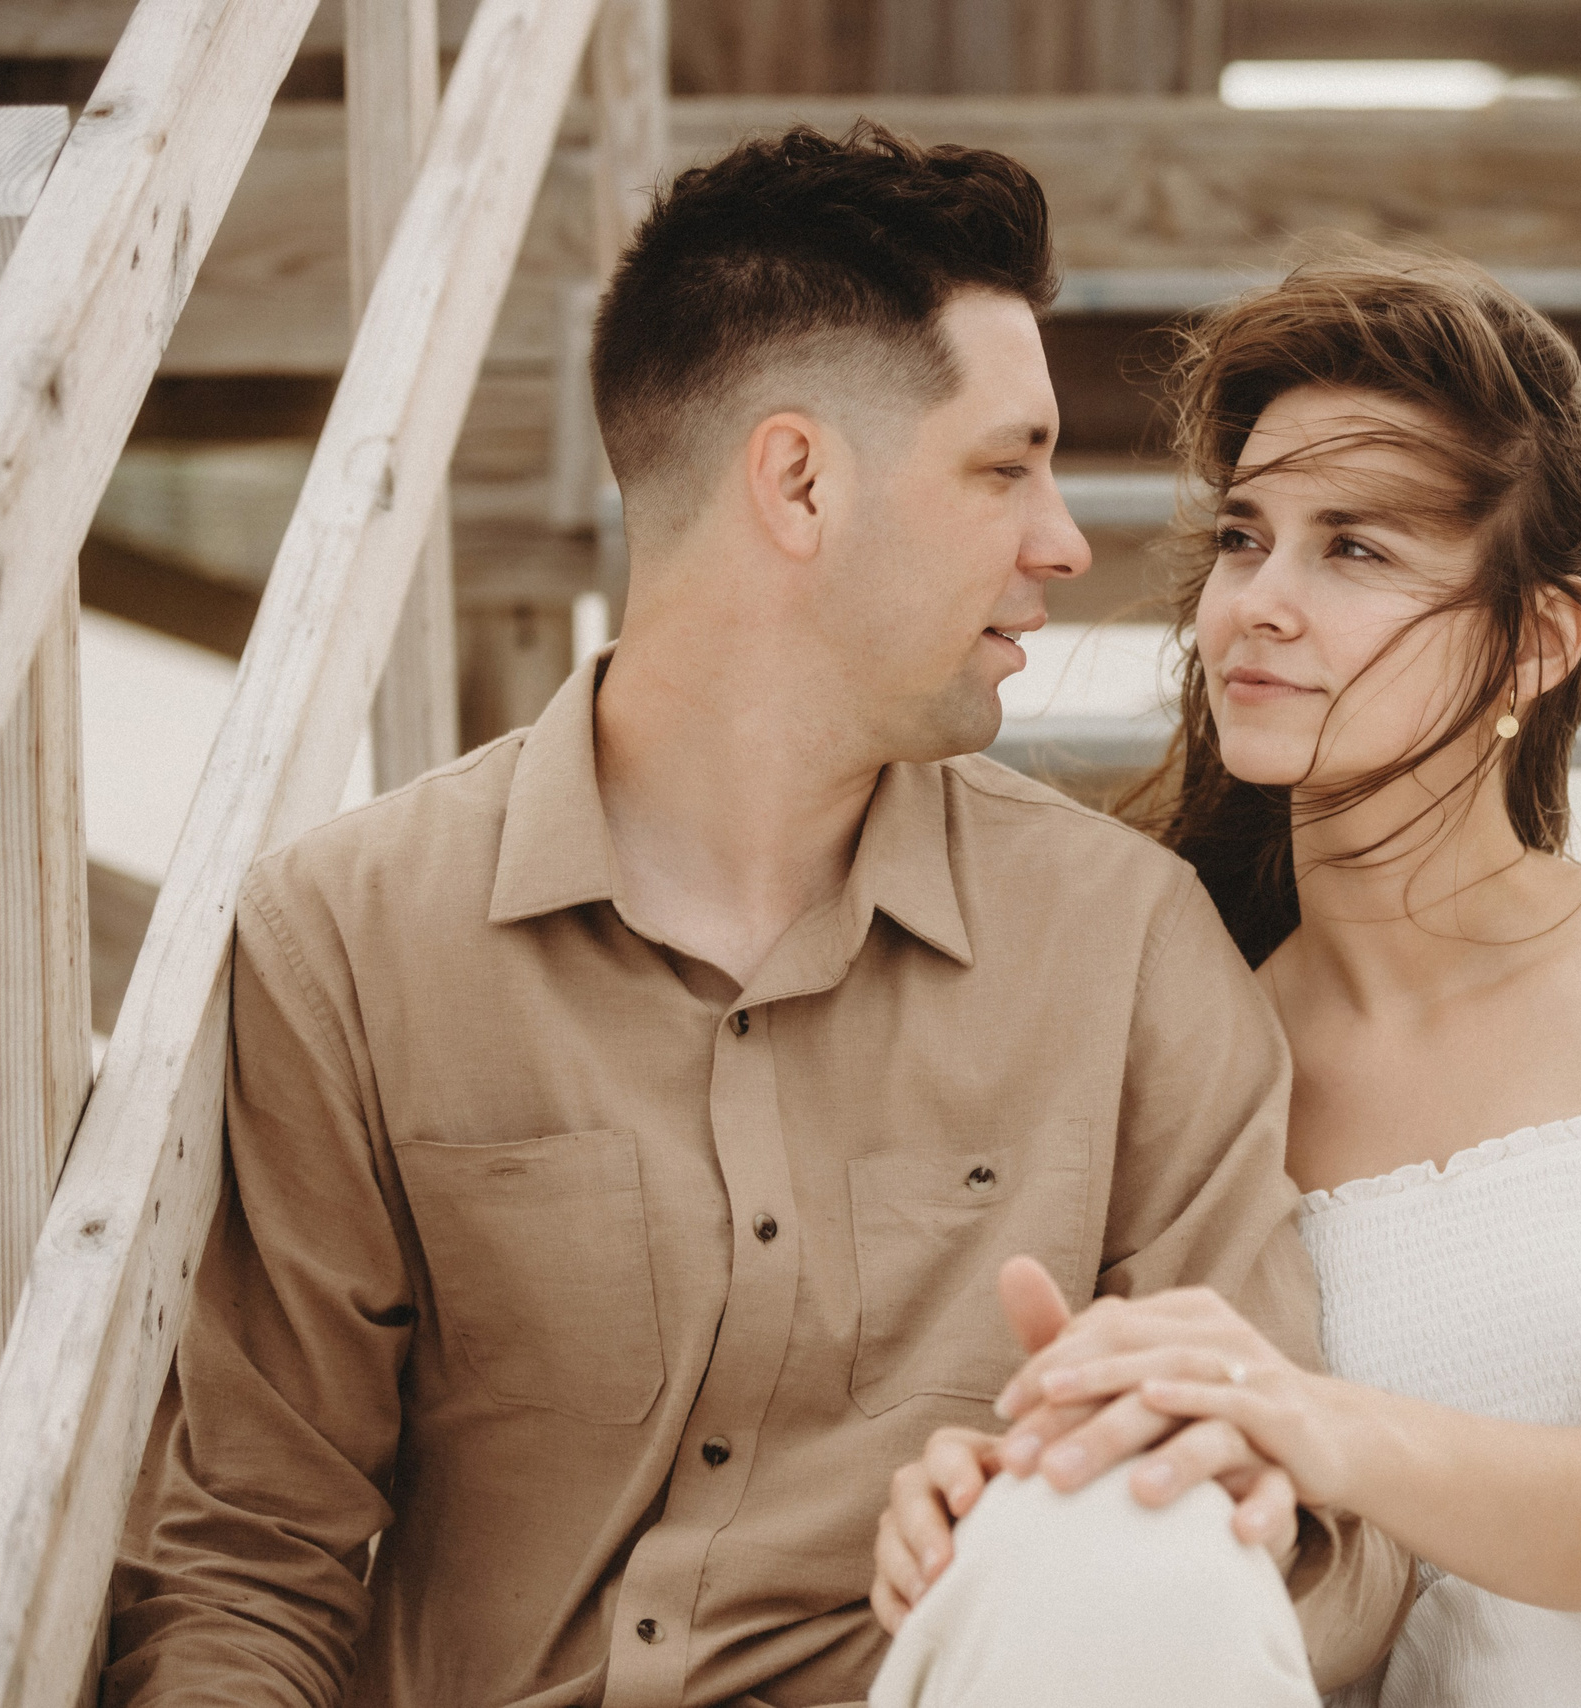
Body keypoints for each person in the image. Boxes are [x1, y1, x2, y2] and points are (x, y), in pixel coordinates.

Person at [103, 124, 1407, 1708]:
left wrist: (1114, 1524)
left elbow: (1308, 1538)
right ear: (798, 480)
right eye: (1006, 467)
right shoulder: (352, 937)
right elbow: (249, 1560)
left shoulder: (1123, 947)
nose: (1065, 540)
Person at [876, 247, 1581, 1707]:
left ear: (1538, 639)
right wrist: (1004, 1485)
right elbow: (1176, 1469)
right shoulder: (1179, 1037)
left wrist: (1312, 1420)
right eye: (1244, 536)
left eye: (1356, 550)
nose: (1258, 602)